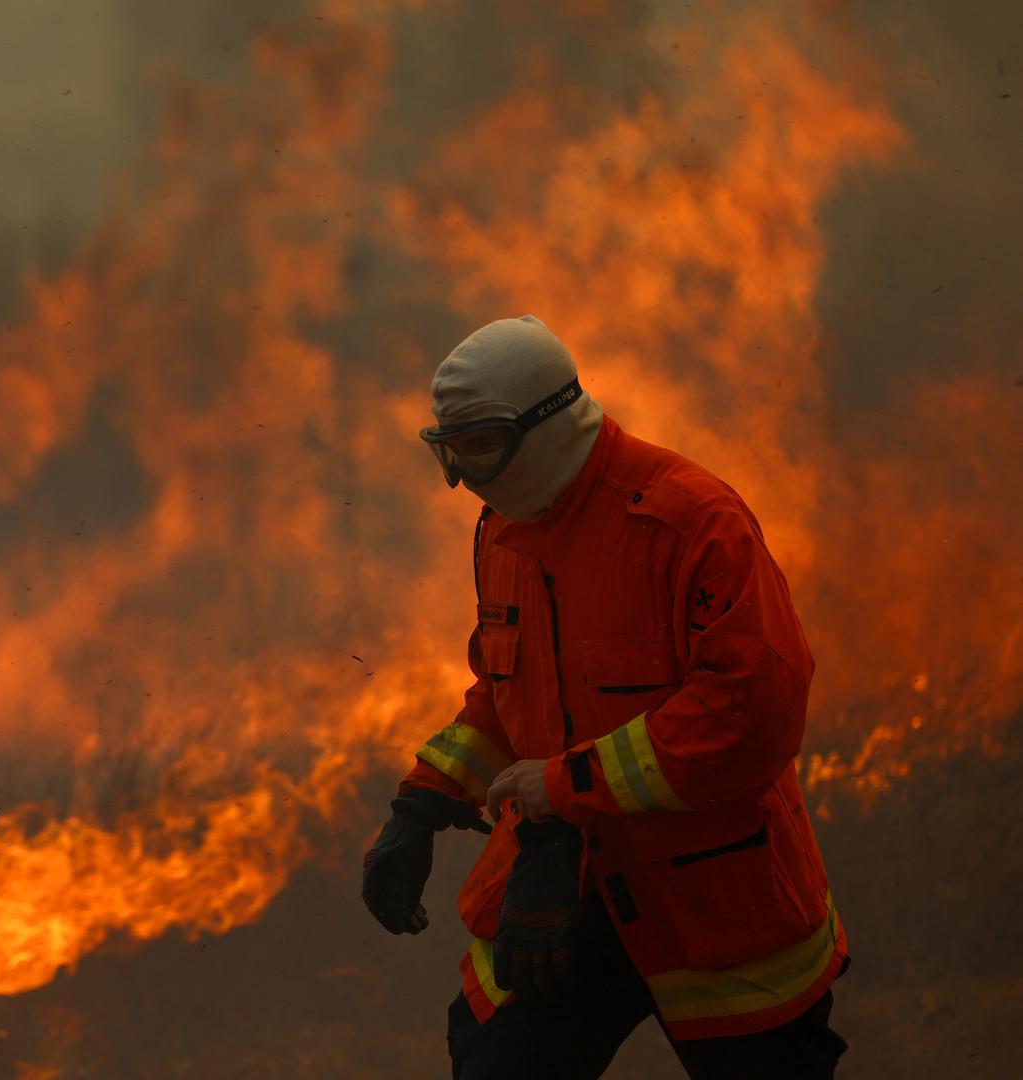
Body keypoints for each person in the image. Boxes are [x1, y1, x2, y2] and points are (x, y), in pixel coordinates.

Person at [361, 316, 849, 1079]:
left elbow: (752, 712)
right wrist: (422, 802)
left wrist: (565, 789)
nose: (463, 475)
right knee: (497, 1063)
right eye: (448, 450)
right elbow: (505, 692)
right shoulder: (503, 533)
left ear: (551, 424)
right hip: (560, 891)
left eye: (481, 445)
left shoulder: (692, 524)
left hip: (717, 903)